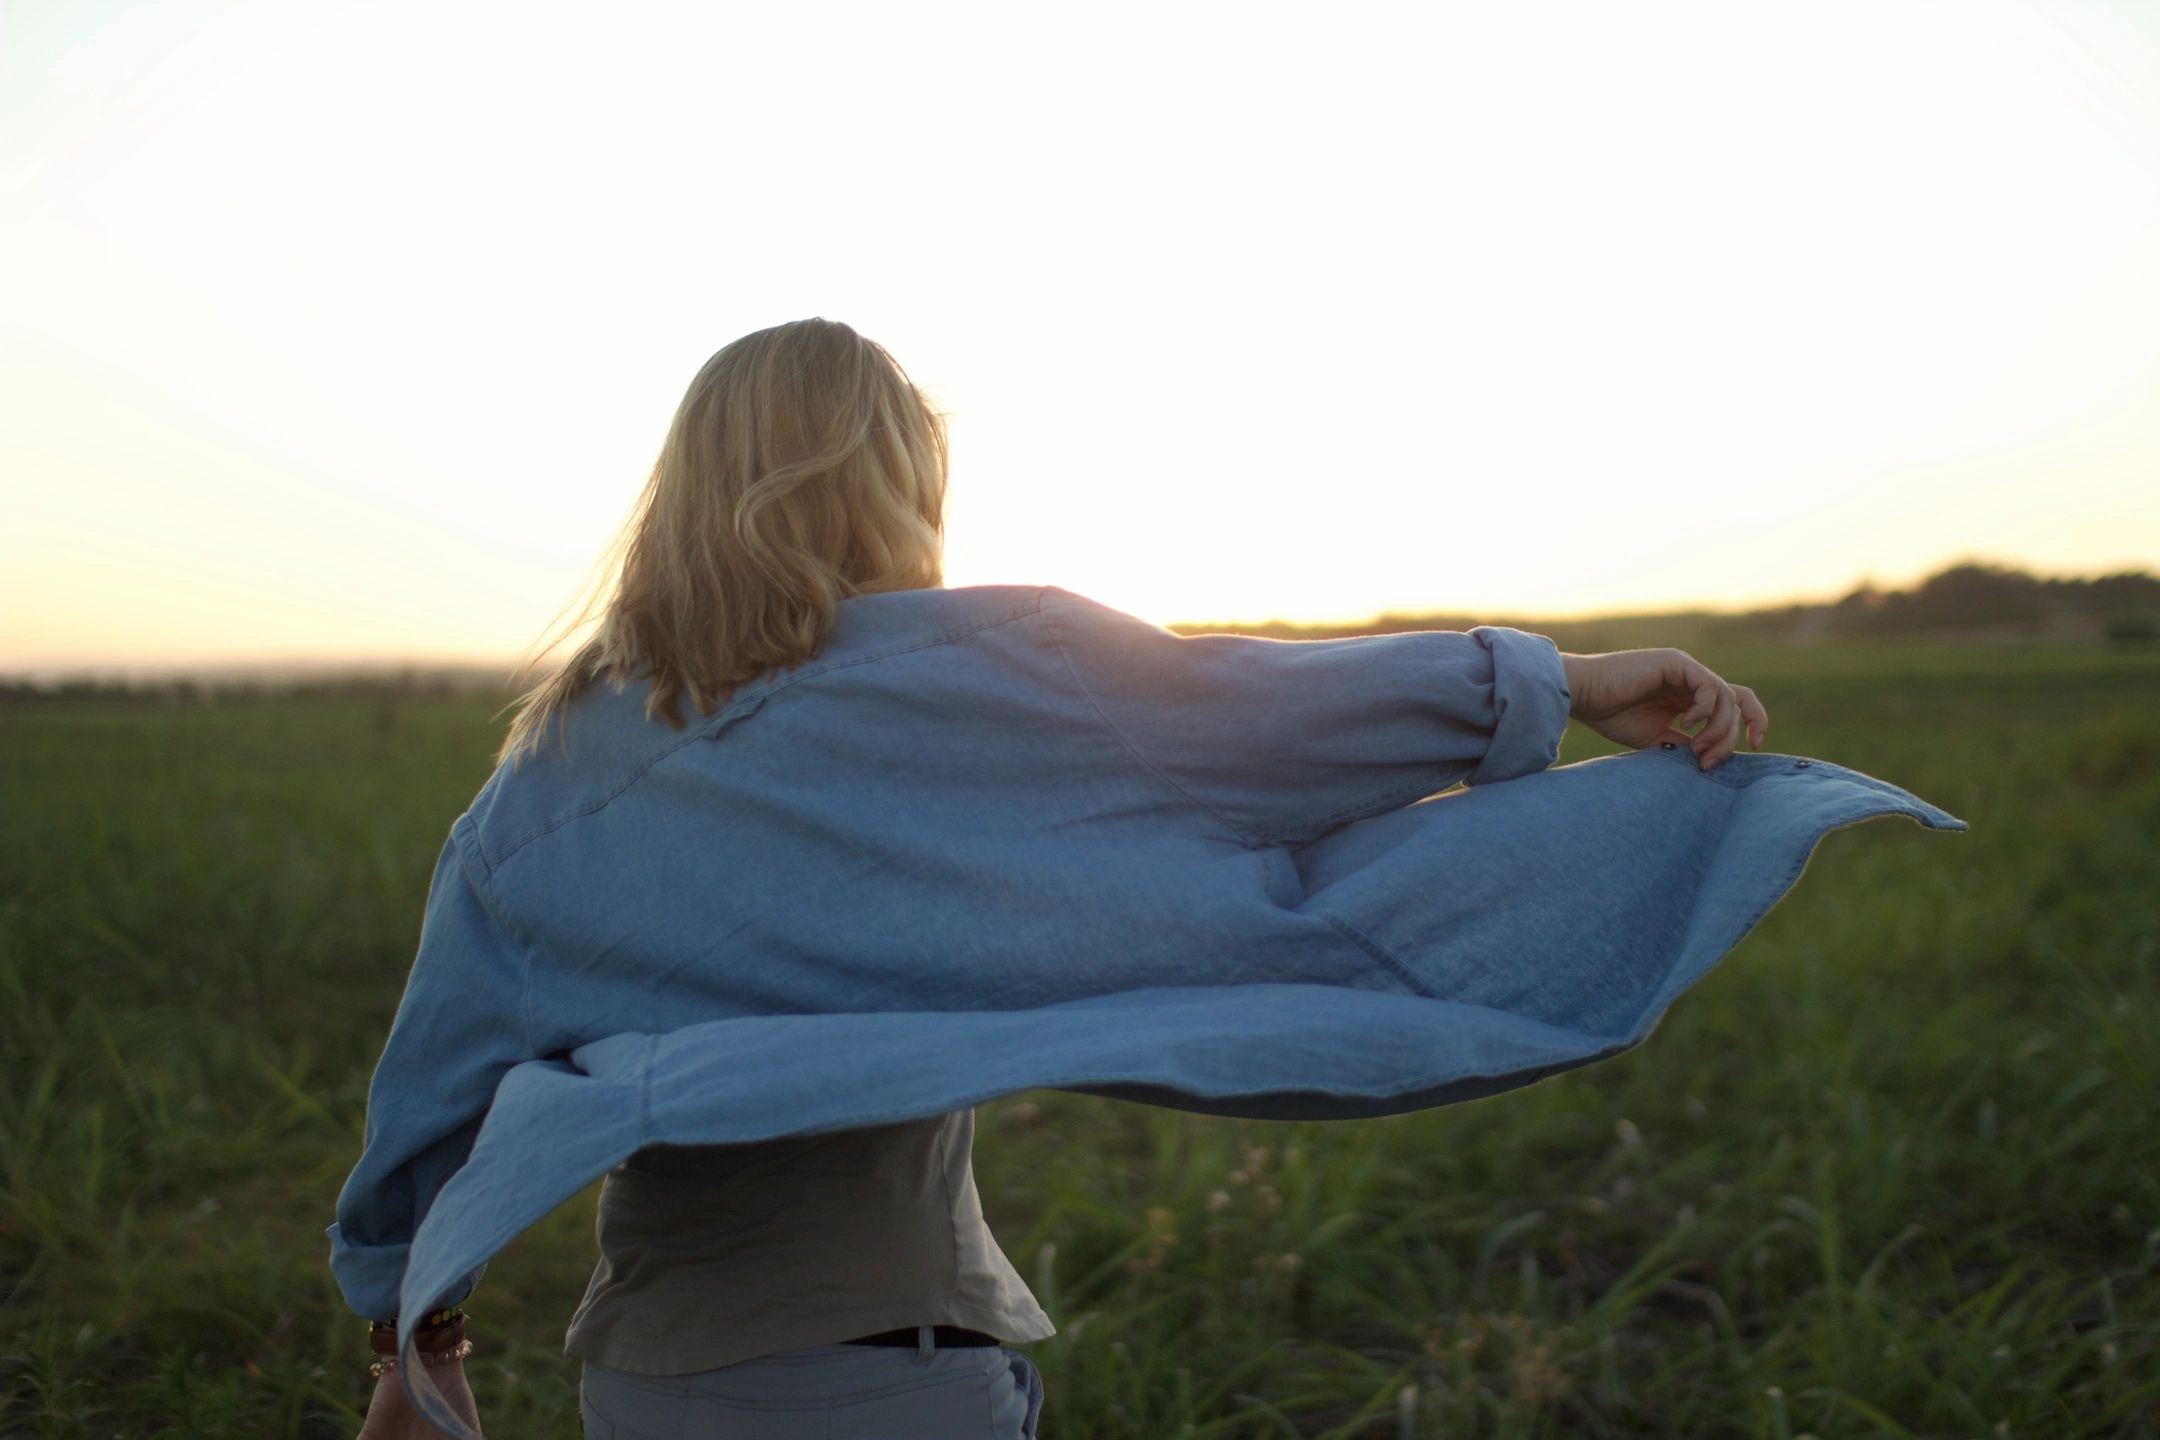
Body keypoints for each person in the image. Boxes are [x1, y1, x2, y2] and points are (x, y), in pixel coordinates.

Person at [331, 318, 1961, 1440]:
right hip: (897, 1381)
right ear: (897, 484)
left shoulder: (536, 794)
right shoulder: (986, 672)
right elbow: (1252, 711)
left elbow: (425, 1116)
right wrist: (1555, 682)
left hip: (653, 1382)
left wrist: (416, 1351)